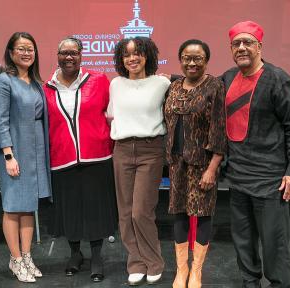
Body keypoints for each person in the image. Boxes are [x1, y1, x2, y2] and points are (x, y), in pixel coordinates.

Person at [221, 21, 290, 288]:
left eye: (248, 42)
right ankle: (250, 282)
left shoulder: (278, 79)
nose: (242, 47)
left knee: (274, 242)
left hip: (269, 179)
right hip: (237, 176)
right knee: (243, 238)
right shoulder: (226, 78)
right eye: (237, 43)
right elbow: (200, 87)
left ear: (260, 46)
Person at [43, 36, 118, 283]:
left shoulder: (98, 81)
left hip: (96, 156)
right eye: (64, 52)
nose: (69, 57)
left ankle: (97, 256)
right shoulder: (46, 87)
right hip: (62, 158)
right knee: (70, 210)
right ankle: (75, 254)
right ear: (57, 56)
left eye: (73, 52)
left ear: (81, 54)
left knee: (96, 210)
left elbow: (114, 112)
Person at [164, 39, 226, 288]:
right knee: (178, 212)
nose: (191, 62)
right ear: (180, 60)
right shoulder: (174, 86)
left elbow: (219, 130)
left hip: (203, 164)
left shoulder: (214, 86)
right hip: (177, 162)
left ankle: (197, 272)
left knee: (202, 216)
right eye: (187, 58)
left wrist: (213, 167)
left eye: (197, 58)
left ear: (206, 61)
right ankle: (182, 270)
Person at [108, 37, 170, 285]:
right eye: (126, 55)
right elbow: (112, 113)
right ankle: (135, 262)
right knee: (125, 212)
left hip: (150, 150)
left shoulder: (162, 83)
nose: (132, 58)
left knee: (141, 211)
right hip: (122, 149)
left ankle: (154, 262)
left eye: (137, 53)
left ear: (148, 55)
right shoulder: (116, 84)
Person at [0, 32, 51, 283]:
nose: (27, 53)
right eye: (21, 48)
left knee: (29, 206)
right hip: (15, 151)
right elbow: (0, 121)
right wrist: (8, 155)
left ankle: (27, 256)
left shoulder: (37, 82)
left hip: (36, 149)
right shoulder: (3, 81)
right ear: (11, 52)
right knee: (13, 206)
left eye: (31, 49)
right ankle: (15, 259)